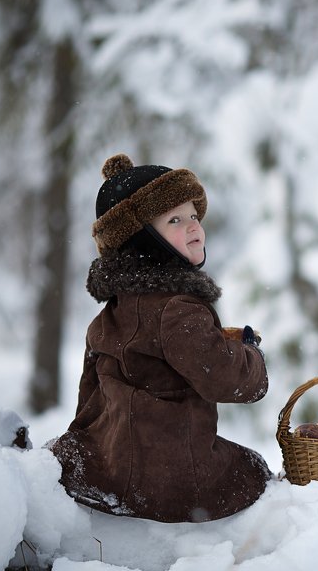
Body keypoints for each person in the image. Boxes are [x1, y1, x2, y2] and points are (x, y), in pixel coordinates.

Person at [50, 153, 271, 523]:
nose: (193, 227)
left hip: (111, 468)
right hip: (174, 482)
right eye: (175, 220)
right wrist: (249, 355)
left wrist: (85, 449)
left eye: (194, 216)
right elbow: (223, 377)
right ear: (142, 238)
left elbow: (88, 403)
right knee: (252, 470)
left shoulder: (107, 318)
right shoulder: (178, 310)